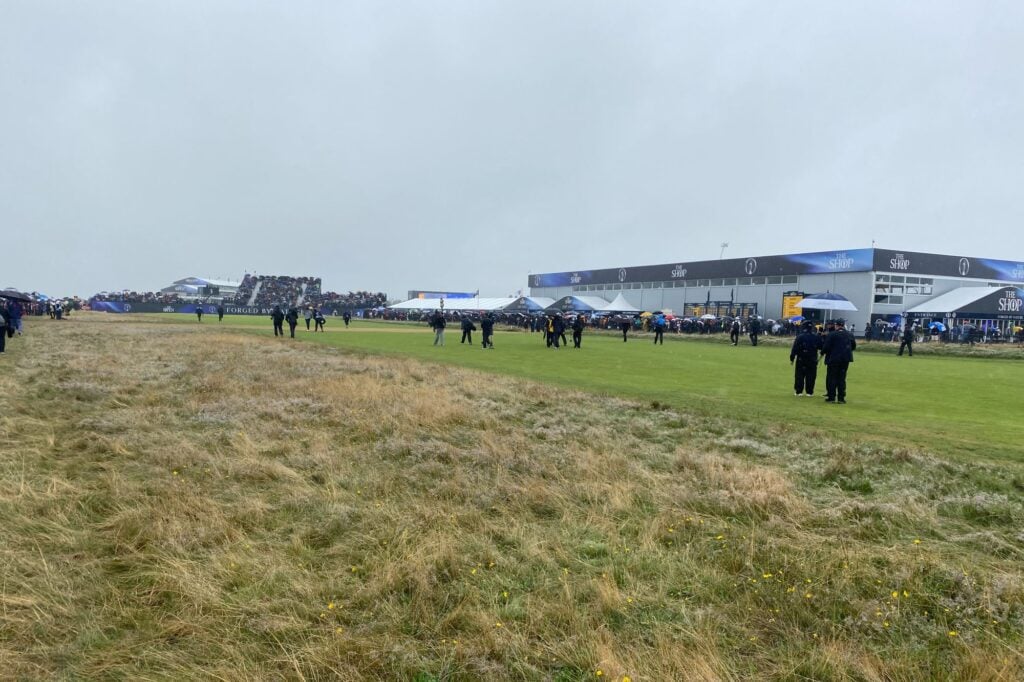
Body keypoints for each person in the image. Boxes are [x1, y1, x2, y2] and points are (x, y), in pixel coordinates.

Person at [821, 318, 856, 404]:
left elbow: (826, 347)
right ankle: (841, 398)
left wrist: (822, 352)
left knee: (832, 378)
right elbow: (853, 346)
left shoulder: (832, 334)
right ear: (843, 325)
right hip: (845, 359)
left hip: (834, 359)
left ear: (836, 325)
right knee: (841, 378)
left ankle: (831, 397)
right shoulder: (849, 334)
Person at [790, 321, 823, 396]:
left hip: (801, 358)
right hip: (812, 358)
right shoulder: (816, 337)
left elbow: (794, 348)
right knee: (811, 375)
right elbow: (821, 346)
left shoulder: (800, 337)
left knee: (799, 375)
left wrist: (792, 358)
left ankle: (799, 391)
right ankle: (809, 392)